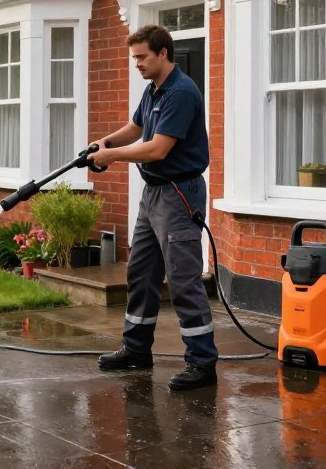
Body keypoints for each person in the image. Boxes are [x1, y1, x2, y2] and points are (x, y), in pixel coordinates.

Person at [88, 24, 218, 391]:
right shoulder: (154, 89)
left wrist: (112, 156)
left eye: (142, 57)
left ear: (163, 53)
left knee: (182, 279)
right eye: (134, 58)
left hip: (178, 193)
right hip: (153, 194)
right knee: (141, 272)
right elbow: (136, 127)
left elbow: (158, 148)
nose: (137, 64)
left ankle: (202, 363)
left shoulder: (181, 92)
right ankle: (136, 349)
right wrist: (103, 142)